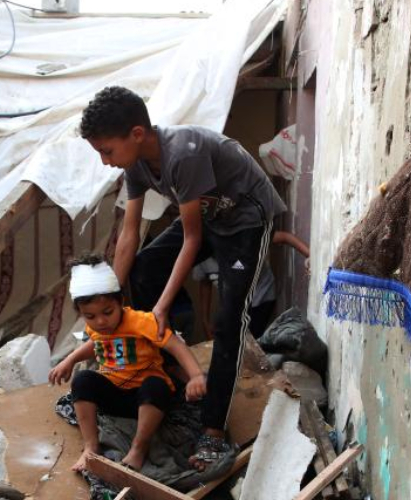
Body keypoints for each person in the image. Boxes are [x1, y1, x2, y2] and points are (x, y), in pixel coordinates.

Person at [78, 85, 286, 470]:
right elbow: (129, 233)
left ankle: (213, 432)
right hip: (209, 220)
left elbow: (191, 240)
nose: (106, 162)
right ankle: (168, 366)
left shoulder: (183, 154)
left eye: (107, 151)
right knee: (144, 267)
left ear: (137, 134)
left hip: (246, 223)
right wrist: (110, 301)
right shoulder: (135, 164)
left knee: (229, 320)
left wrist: (160, 306)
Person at [49, 254, 207, 473]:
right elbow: (95, 343)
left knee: (157, 384)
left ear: (120, 302)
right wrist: (70, 359)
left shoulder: (141, 322)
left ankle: (138, 449)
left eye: (107, 312)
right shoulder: (95, 327)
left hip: (147, 399)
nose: (101, 321)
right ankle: (91, 447)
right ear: (82, 314)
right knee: (83, 380)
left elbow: (175, 345)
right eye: (90, 316)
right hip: (115, 395)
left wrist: (196, 376)